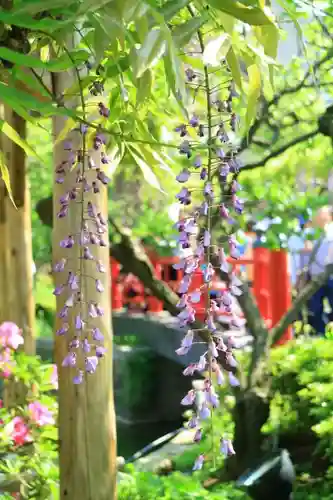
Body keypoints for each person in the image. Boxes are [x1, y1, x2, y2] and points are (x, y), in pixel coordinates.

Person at [306, 206, 333, 335]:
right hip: (317, 277)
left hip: (329, 276)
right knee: (315, 308)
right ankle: (321, 334)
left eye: (321, 214)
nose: (318, 217)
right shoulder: (320, 234)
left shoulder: (330, 232)